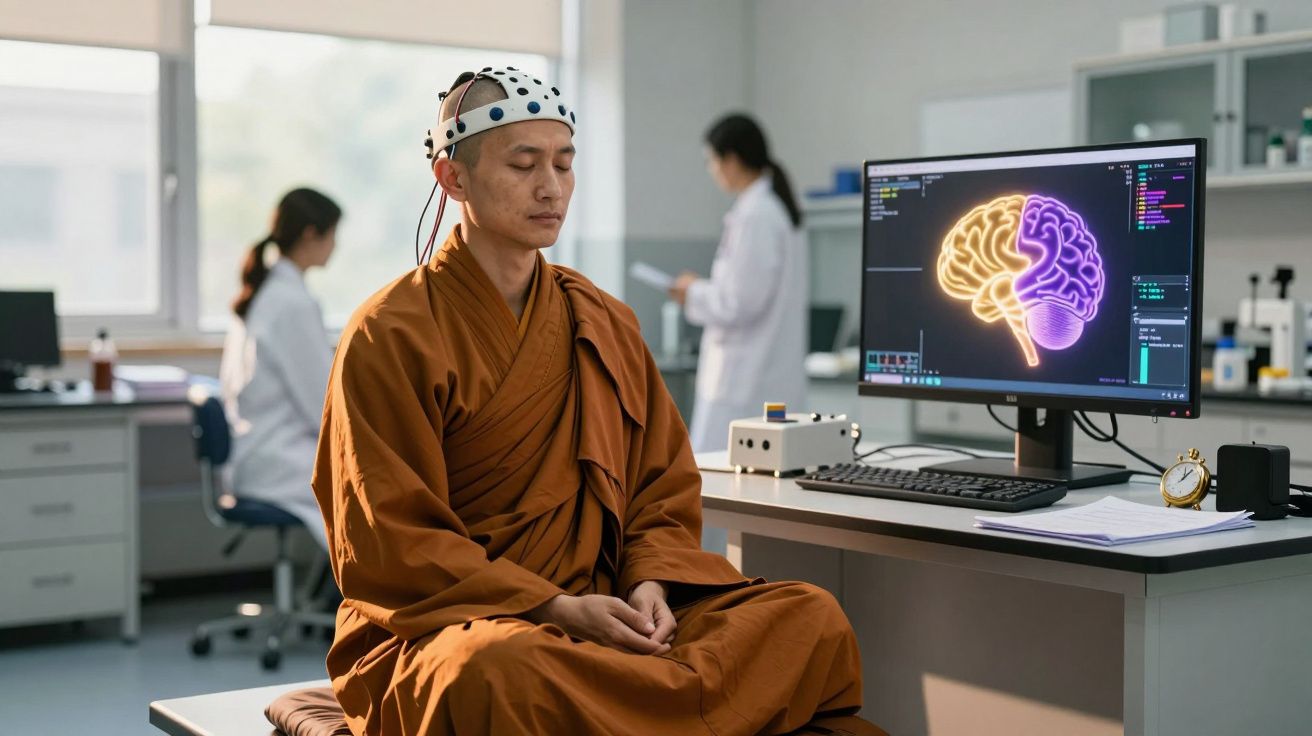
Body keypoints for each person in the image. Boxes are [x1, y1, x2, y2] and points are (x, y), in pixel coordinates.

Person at [312, 67, 883, 736]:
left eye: (564, 163)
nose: (551, 187)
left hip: (607, 603)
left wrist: (650, 584)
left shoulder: (603, 320)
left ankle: (622, 701)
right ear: (453, 178)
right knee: (491, 673)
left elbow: (660, 490)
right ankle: (664, 705)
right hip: (463, 620)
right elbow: (389, 540)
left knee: (809, 616)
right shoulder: (389, 333)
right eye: (523, 164)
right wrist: (550, 607)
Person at [670, 113, 809, 455]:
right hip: (761, 377)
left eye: (712, 161)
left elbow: (739, 303)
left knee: (720, 473)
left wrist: (692, 292)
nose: (712, 170)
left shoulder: (757, 215)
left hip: (746, 383)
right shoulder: (768, 209)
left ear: (730, 160)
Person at [220, 187, 341, 550]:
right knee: (386, 480)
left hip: (256, 455)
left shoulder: (264, 291)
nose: (336, 245)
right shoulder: (292, 303)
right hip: (278, 462)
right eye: (333, 234)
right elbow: (323, 406)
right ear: (311, 233)